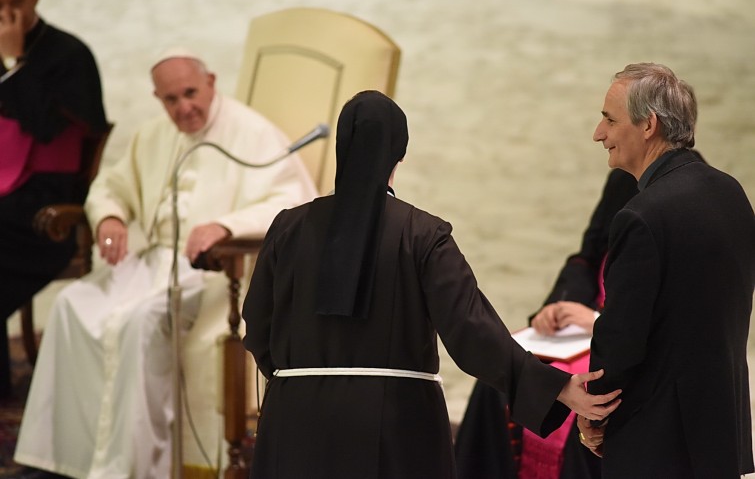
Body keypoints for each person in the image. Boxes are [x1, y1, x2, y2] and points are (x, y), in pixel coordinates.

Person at [242, 90, 623, 479]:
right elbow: (471, 332)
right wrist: (556, 387)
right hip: (395, 424)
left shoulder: (287, 229)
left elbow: (257, 326)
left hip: (294, 420)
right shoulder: (423, 234)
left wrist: (303, 380)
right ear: (400, 153)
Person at [10, 50, 317, 479]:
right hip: (151, 261)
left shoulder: (253, 133)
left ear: (210, 81)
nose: (183, 107)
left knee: (138, 321)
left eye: (190, 93)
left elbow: (294, 202)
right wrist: (112, 216)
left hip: (212, 271)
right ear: (159, 99)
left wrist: (226, 226)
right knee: (71, 304)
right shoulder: (154, 135)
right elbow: (111, 186)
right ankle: (60, 461)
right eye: (170, 100)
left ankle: (130, 467)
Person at [579, 63, 755, 478]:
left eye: (609, 118)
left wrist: (596, 410)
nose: (598, 133)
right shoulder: (731, 193)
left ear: (648, 125)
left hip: (656, 440)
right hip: (722, 429)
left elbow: (621, 337)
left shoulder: (641, 216)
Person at [453, 168, 637, 479]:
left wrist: (598, 321)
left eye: (609, 119)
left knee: (580, 399)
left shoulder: (683, 196)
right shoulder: (625, 177)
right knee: (498, 383)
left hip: (622, 346)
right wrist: (558, 306)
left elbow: (672, 314)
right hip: (581, 335)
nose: (600, 134)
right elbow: (588, 257)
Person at [0, 0, 107, 399]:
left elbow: (46, 129)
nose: (8, 13)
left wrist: (14, 64)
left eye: (18, 1)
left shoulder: (69, 55)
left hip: (47, 207)